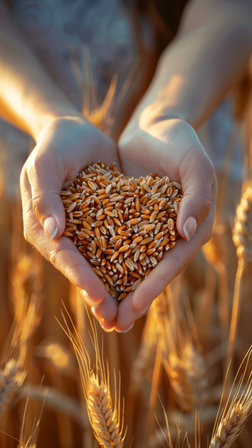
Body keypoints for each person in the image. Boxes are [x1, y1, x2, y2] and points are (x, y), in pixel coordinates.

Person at [0, 0, 251, 332]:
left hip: (195, 98)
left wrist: (165, 114)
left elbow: (232, 8)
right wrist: (50, 120)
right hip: (24, 137)